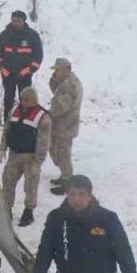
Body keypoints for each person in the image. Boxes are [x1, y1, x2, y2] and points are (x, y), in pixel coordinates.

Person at [0, 86, 51, 226]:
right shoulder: (14, 110)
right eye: (22, 99)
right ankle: (6, 209)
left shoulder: (43, 116)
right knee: (7, 182)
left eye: (27, 100)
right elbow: (7, 129)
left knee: (30, 185)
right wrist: (2, 148)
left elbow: (43, 141)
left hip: (31, 157)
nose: (24, 102)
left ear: (34, 100)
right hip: (14, 155)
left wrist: (38, 161)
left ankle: (28, 212)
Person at [0, 9, 44, 120]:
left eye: (18, 21)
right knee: (8, 100)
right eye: (14, 20)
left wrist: (28, 71)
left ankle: (24, 121)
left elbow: (38, 56)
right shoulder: (4, 34)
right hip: (8, 74)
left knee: (26, 100)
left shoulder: (32, 35)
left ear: (24, 21)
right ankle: (7, 122)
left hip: (24, 75)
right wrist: (1, 67)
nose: (16, 23)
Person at [48, 58, 84, 194]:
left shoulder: (67, 85)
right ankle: (64, 177)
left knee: (62, 154)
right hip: (67, 124)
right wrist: (54, 81)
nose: (55, 72)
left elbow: (60, 106)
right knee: (60, 153)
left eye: (56, 70)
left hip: (64, 125)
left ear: (64, 69)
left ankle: (68, 182)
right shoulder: (70, 81)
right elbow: (57, 93)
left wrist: (48, 114)